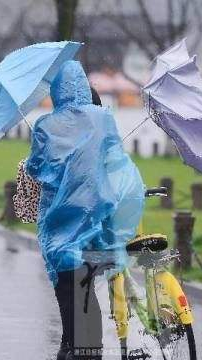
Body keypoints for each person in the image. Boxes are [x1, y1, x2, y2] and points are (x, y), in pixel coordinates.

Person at [26, 61, 144, 360]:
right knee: (87, 293)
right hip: (96, 221)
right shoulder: (103, 118)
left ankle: (74, 349)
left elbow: (39, 169)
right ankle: (86, 350)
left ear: (56, 91)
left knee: (68, 295)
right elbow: (113, 158)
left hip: (59, 224)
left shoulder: (44, 126)